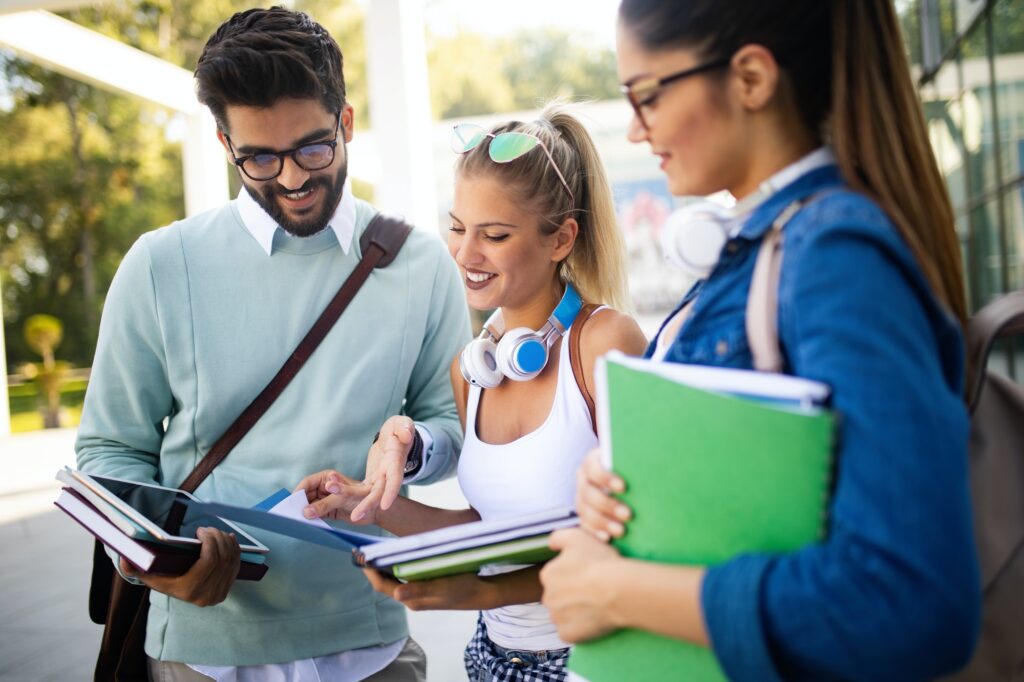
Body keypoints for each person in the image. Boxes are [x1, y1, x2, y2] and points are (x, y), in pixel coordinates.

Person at [539, 1, 982, 681]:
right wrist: (626, 489)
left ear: (749, 78)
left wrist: (615, 591)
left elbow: (910, 601)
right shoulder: (767, 248)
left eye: (648, 95)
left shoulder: (833, 255)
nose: (634, 129)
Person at [75, 7, 470, 680]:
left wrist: (410, 445)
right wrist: (155, 562)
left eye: (314, 148)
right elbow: (110, 451)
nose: (292, 179)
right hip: (201, 649)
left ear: (346, 123)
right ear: (225, 143)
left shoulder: (420, 265)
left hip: (368, 641)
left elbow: (452, 426)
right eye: (261, 157)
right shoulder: (159, 264)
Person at [298, 104, 648, 681]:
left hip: (594, 661)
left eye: (495, 235)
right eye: (458, 227)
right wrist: (371, 504)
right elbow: (489, 531)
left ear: (561, 238)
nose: (464, 254)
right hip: (491, 661)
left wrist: (480, 593)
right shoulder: (474, 369)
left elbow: (641, 545)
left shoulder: (606, 344)